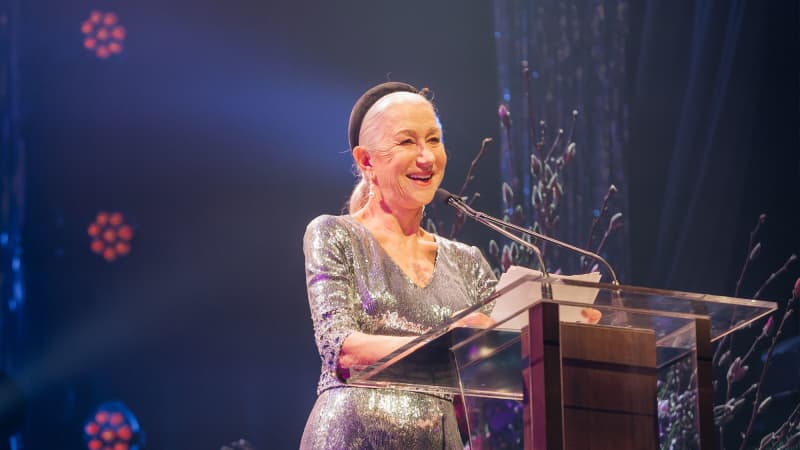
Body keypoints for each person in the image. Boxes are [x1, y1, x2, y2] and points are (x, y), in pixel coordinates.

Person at [299, 81, 497, 449]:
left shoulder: (467, 261)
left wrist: (558, 322)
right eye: (407, 142)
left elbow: (504, 356)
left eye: (434, 140)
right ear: (366, 161)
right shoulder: (333, 234)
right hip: (354, 436)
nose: (427, 158)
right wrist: (451, 341)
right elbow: (341, 349)